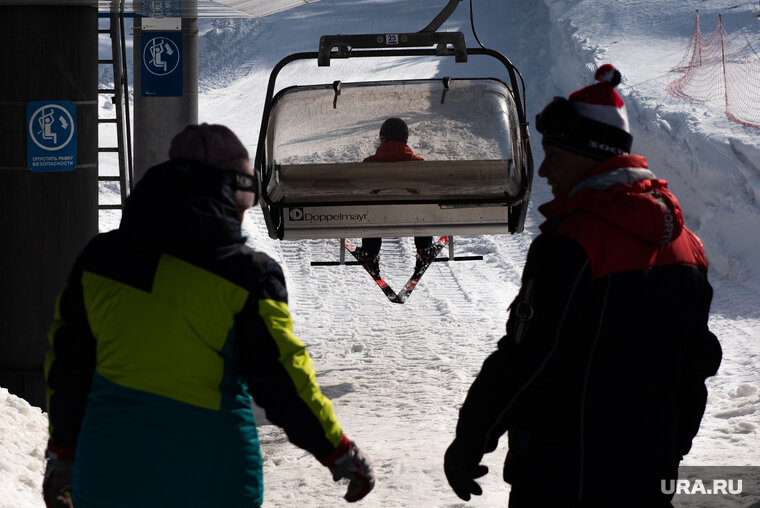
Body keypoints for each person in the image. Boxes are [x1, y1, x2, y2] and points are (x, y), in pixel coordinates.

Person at [42, 123, 374, 508]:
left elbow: (68, 370)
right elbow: (283, 380)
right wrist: (335, 449)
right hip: (211, 481)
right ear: (232, 191)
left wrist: (63, 454)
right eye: (244, 203)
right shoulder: (248, 276)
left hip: (106, 478)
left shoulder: (98, 261)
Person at [443, 64, 722, 507]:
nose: (546, 170)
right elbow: (697, 362)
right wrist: (671, 446)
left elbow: (530, 357)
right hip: (648, 473)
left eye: (554, 153)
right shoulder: (687, 245)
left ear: (589, 154)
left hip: (563, 474)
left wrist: (472, 437)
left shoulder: (573, 243)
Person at [355, 117, 437, 275]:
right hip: (414, 217)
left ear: (382, 137)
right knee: (422, 206)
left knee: (372, 207)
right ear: (405, 138)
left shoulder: (368, 164)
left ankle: (370, 252)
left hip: (378, 218)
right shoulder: (419, 164)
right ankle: (424, 249)